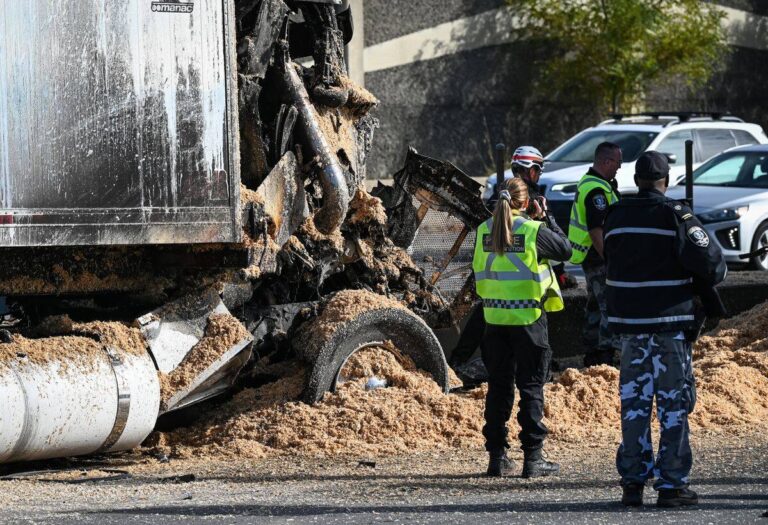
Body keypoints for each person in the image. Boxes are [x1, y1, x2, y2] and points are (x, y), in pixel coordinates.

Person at [603, 151, 726, 507]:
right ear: (665, 181)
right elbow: (713, 266)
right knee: (673, 407)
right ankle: (672, 485)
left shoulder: (616, 215)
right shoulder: (677, 216)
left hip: (628, 330)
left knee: (634, 407)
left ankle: (632, 483)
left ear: (637, 180)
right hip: (669, 327)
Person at [472, 177, 572, 478]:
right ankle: (533, 458)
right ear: (526, 203)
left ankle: (497, 457)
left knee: (498, 387)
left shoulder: (483, 230)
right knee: (531, 386)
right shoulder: (532, 230)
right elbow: (566, 251)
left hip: (494, 320)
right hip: (528, 319)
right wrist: (545, 219)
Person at [567, 142, 622, 367]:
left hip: (590, 256)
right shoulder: (597, 190)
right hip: (597, 256)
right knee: (607, 305)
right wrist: (609, 259)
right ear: (606, 161)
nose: (619, 167)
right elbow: (595, 229)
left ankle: (592, 354)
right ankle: (604, 356)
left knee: (594, 306)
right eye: (617, 163)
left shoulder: (592, 183)